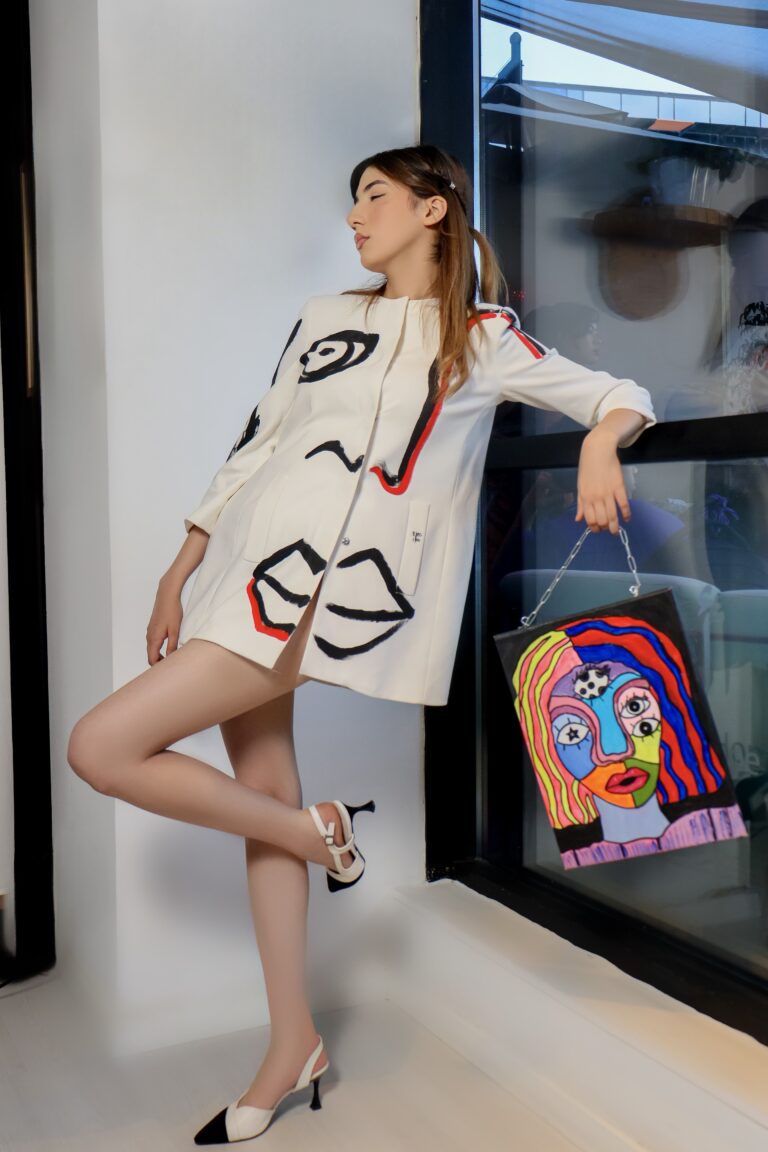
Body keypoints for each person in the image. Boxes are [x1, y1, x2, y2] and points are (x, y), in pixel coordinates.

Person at [66, 144, 657, 1144]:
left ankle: (316, 836)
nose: (354, 217)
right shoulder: (322, 319)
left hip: (345, 595)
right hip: (250, 572)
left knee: (101, 747)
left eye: (374, 197)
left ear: (433, 210)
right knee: (263, 798)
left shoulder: (481, 338)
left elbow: (620, 392)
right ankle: (292, 1037)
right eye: (352, 202)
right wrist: (181, 565)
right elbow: (257, 442)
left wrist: (602, 439)